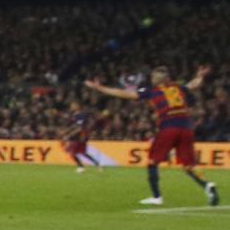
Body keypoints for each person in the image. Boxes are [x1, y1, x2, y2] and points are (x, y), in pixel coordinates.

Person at [86, 65, 218, 206]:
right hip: (186, 128)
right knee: (189, 165)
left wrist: (99, 88)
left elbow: (124, 93)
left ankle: (157, 197)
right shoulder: (179, 88)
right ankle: (207, 185)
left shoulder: (152, 91)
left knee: (152, 161)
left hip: (169, 127)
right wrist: (200, 75)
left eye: (154, 77)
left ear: (158, 79)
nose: (152, 79)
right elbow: (194, 84)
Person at [61, 101, 102, 173]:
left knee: (72, 153)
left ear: (78, 106)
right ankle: (97, 164)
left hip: (80, 136)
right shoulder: (74, 115)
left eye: (73, 105)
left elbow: (80, 127)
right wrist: (66, 132)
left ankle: (81, 167)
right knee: (82, 152)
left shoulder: (82, 115)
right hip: (77, 135)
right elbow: (74, 126)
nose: (72, 107)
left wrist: (69, 135)